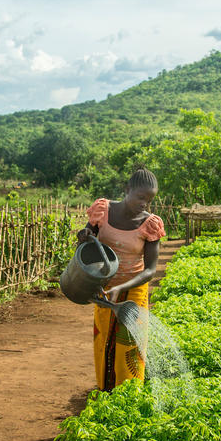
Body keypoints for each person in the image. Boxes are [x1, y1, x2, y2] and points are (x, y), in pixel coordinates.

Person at [76, 167, 165, 391]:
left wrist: (122, 287)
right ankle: (106, 391)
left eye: (150, 200)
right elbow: (86, 245)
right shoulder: (103, 211)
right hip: (104, 286)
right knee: (104, 338)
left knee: (129, 344)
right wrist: (84, 236)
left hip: (134, 288)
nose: (145, 203)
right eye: (141, 197)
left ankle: (129, 394)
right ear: (127, 189)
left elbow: (150, 270)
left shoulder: (150, 224)